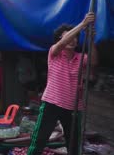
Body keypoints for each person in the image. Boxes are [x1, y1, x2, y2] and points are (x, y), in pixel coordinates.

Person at [28, 12, 97, 155]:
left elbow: (94, 61)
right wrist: (83, 24)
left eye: (75, 38)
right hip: (52, 103)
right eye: (69, 37)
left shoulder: (80, 57)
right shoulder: (54, 53)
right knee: (39, 140)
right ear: (60, 39)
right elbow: (63, 42)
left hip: (73, 107)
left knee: (74, 145)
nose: (73, 40)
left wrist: (91, 39)